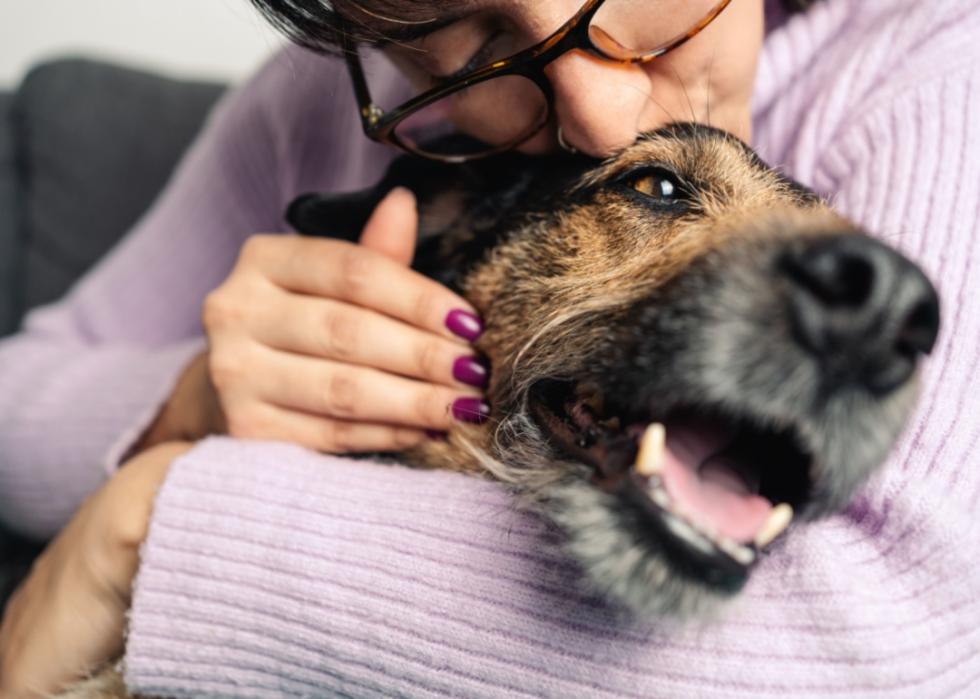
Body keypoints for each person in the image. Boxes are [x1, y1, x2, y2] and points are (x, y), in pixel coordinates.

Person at [2, 0, 979, 695]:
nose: (597, 118)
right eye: (469, 39)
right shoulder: (338, 99)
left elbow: (893, 640)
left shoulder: (936, 64)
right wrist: (193, 403)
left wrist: (153, 526)